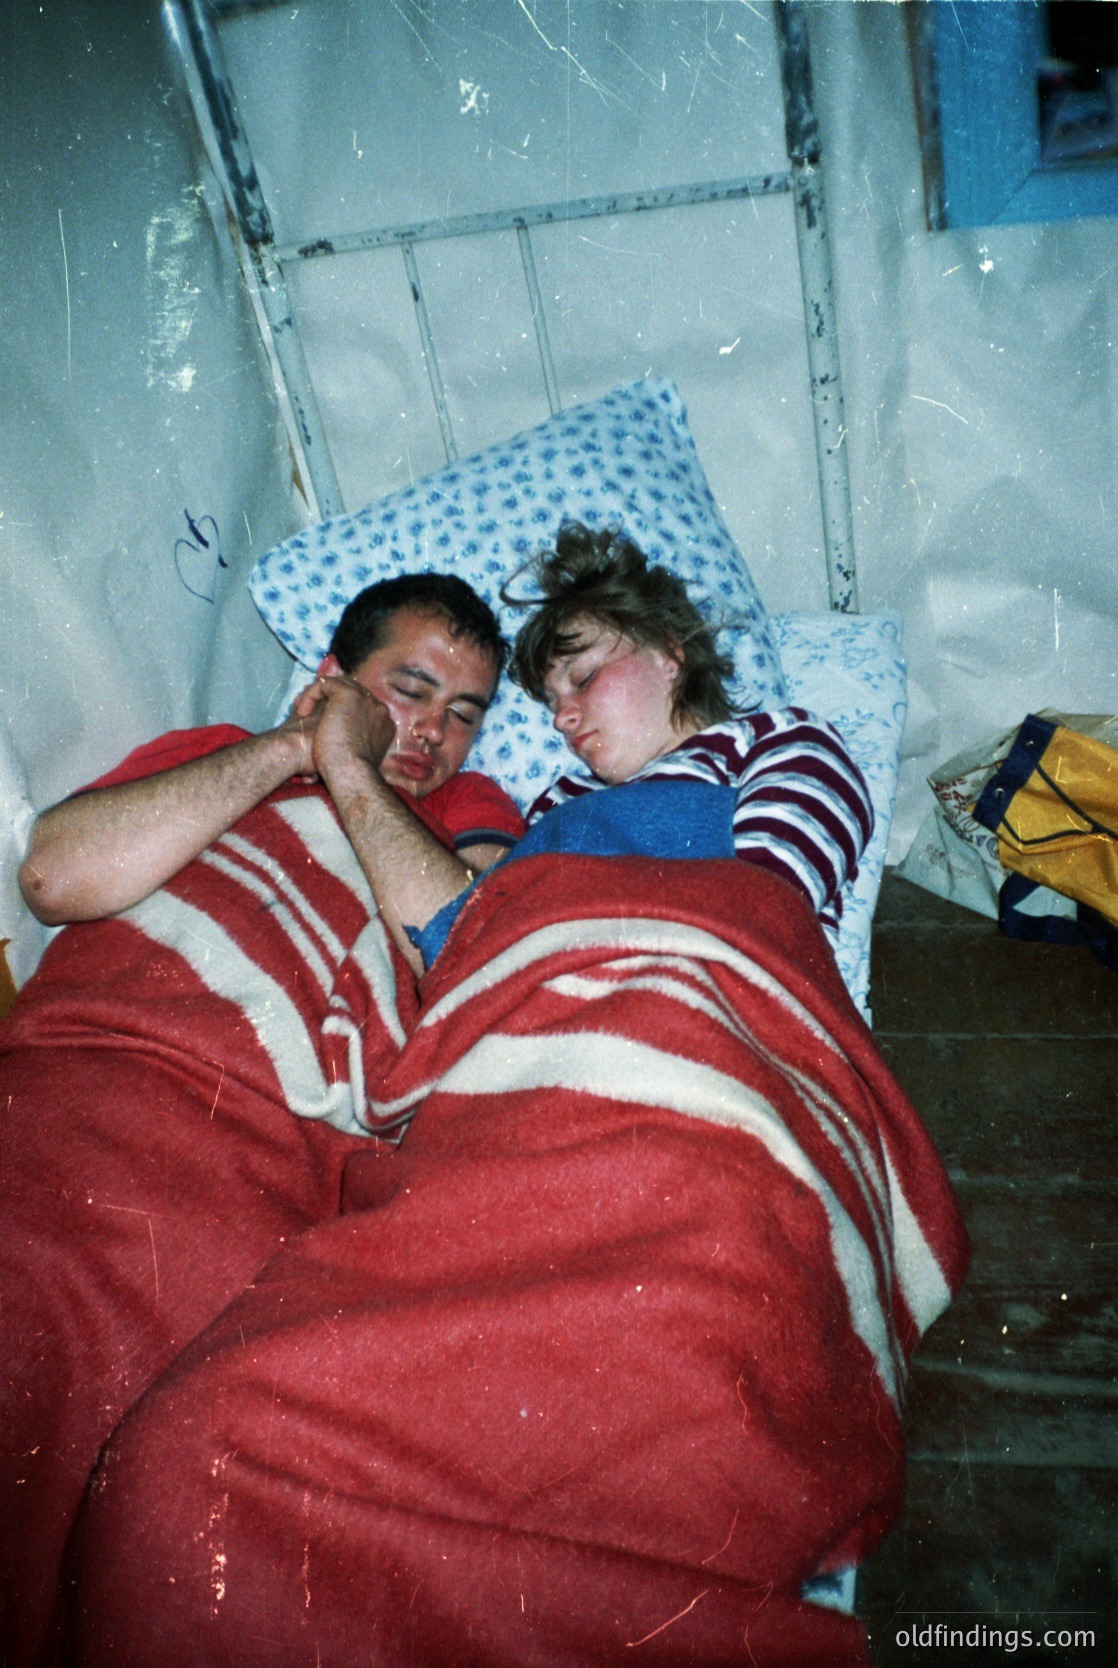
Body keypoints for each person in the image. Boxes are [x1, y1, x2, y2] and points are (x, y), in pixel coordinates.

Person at [411, 521, 873, 967]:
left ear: (669, 655)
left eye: (585, 678)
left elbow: (766, 908)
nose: (560, 718)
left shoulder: (780, 744)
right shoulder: (558, 802)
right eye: (551, 701)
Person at [19, 571, 525, 971]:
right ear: (333, 678)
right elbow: (50, 881)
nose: (434, 730)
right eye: (411, 692)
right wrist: (295, 747)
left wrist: (346, 763)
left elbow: (483, 955)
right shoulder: (220, 752)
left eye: (463, 716)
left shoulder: (464, 800)